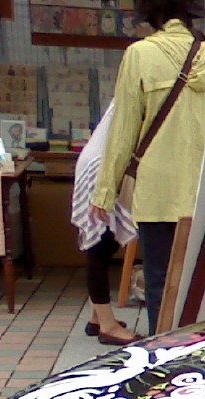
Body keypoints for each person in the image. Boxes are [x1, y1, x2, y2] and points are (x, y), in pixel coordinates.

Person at [90, 0, 205, 335]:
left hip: (158, 191)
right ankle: (198, 349)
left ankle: (163, 352)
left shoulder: (140, 55)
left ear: (152, 17)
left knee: (159, 280)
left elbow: (124, 130)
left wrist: (105, 191)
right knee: (199, 283)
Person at [71, 100, 140, 346]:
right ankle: (108, 326)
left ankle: (97, 318)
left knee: (103, 246)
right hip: (103, 168)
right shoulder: (137, 90)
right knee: (100, 248)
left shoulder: (129, 90)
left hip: (103, 163)